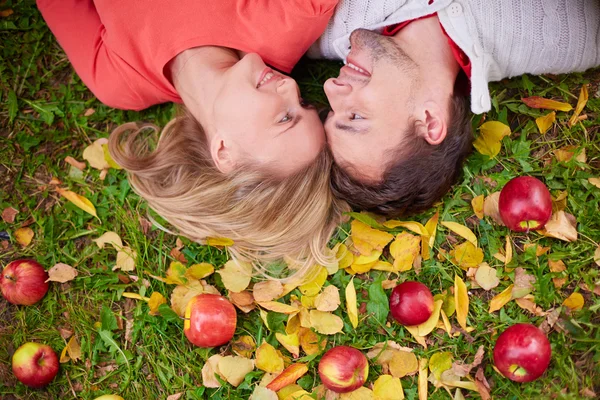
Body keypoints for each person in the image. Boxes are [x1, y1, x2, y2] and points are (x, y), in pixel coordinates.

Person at [37, 0, 348, 280]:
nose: (291, 88)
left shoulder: (118, 81)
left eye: (285, 118)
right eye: (303, 104)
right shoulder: (293, 14)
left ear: (224, 152)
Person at [309, 0, 600, 217]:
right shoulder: (570, 34)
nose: (331, 87)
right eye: (355, 116)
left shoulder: (318, 23)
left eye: (333, 111)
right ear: (430, 121)